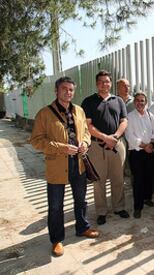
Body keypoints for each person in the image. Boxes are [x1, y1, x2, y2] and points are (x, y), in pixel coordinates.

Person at [30, 76, 99, 257]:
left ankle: (82, 227)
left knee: (81, 199)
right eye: (64, 89)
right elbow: (36, 141)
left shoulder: (79, 110)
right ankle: (57, 240)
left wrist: (85, 142)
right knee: (55, 206)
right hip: (57, 165)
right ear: (56, 91)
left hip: (79, 163)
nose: (68, 92)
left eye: (71, 89)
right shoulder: (44, 114)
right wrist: (61, 148)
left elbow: (85, 133)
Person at [81, 70, 129, 225]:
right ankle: (101, 211)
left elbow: (124, 121)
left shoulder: (119, 101)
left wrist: (114, 137)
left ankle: (119, 207)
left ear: (110, 83)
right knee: (99, 181)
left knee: (118, 178)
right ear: (97, 84)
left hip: (117, 145)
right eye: (101, 81)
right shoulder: (88, 101)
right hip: (97, 147)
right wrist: (105, 138)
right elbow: (88, 126)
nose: (104, 84)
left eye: (107, 81)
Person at [125, 92, 154, 219]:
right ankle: (138, 207)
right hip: (137, 153)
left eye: (142, 100)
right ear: (134, 103)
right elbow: (130, 136)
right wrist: (145, 146)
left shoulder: (151, 116)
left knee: (149, 176)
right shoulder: (129, 117)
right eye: (137, 100)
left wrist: (152, 142)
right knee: (138, 180)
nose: (140, 103)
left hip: (149, 151)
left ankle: (147, 198)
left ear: (146, 102)